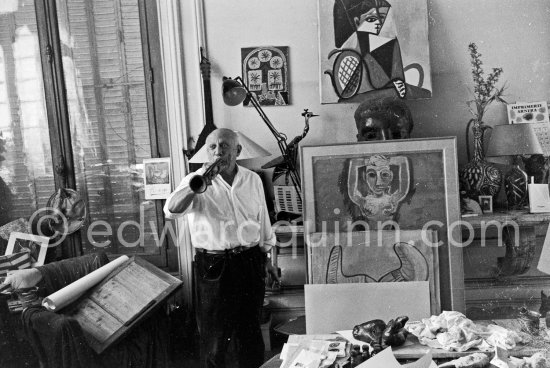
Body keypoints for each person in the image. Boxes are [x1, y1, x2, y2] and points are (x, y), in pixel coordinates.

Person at [164, 128, 279, 368]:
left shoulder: (252, 179)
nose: (218, 152)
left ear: (237, 150)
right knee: (215, 337)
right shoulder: (194, 180)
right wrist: (197, 185)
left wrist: (268, 260)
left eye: (224, 146)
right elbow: (171, 210)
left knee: (249, 333)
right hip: (213, 266)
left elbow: (263, 223)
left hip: (249, 261)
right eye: (213, 147)